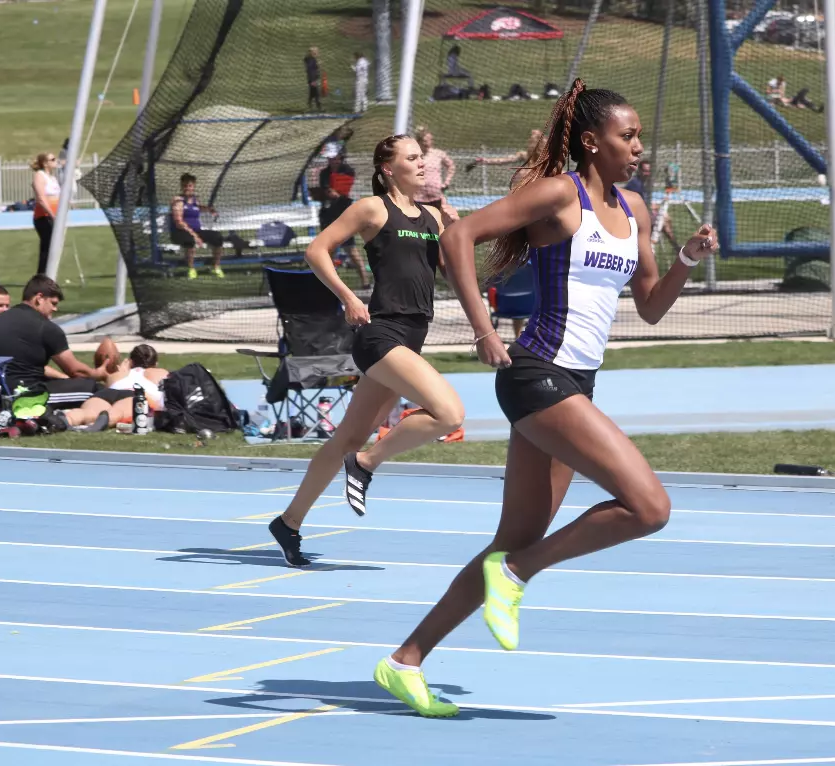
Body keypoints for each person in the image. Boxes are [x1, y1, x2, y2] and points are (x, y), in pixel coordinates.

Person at [371, 80, 719, 717]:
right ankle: (519, 575)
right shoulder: (563, 194)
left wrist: (687, 261)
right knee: (650, 507)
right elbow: (458, 238)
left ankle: (405, 661)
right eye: (628, 135)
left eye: (638, 135)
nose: (638, 146)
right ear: (593, 141)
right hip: (536, 372)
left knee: (516, 536)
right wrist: (481, 329)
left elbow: (649, 308)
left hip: (576, 382)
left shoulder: (636, 210)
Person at [267, 134, 463, 566]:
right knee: (448, 414)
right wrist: (348, 297)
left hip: (412, 336)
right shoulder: (374, 208)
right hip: (380, 335)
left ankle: (289, 522)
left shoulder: (432, 215)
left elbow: (456, 273)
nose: (422, 163)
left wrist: (457, 229)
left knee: (345, 437)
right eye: (412, 158)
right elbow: (316, 250)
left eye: (422, 157)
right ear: (388, 169)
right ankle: (368, 462)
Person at [0, 275, 110, 409]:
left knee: (61, 384)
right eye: (53, 303)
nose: (55, 309)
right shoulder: (45, 327)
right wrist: (98, 374)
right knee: (94, 389)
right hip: (16, 395)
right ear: (39, 299)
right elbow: (76, 371)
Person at [59, 343, 168, 431]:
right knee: (117, 412)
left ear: (130, 362)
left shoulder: (116, 375)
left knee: (90, 412)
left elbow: (110, 387)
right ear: (156, 363)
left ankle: (67, 419)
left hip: (108, 392)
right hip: (135, 396)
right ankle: (99, 424)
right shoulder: (161, 373)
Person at [318, 143, 370, 288]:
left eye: (334, 158)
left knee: (350, 249)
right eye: (329, 159)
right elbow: (327, 190)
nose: (332, 161)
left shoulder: (348, 171)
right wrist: (330, 192)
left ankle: (365, 282)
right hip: (328, 215)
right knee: (328, 250)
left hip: (344, 215)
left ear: (340, 157)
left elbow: (343, 190)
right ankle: (329, 283)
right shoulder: (324, 173)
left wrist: (337, 193)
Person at [170, 173, 225, 280]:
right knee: (190, 241)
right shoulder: (178, 200)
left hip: (196, 230)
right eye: (185, 185)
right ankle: (191, 269)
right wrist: (195, 236)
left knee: (217, 237)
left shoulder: (195, 200)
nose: (187, 188)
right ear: (181, 186)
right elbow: (178, 222)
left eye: (189, 185)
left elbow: (196, 208)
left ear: (193, 186)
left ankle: (216, 266)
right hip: (180, 232)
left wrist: (209, 209)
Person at [468, 129, 544, 189]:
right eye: (530, 142)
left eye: (532, 142)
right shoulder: (524, 155)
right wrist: (485, 161)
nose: (530, 145)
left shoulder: (545, 158)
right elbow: (503, 160)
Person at [414, 126, 458, 222]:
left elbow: (451, 166)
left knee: (441, 221)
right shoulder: (414, 155)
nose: (428, 143)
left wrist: (447, 182)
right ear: (419, 141)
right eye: (425, 140)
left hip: (436, 196)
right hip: (418, 197)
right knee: (420, 223)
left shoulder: (438, 154)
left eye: (430, 140)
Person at [31, 152, 60, 275]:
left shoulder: (52, 178)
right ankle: (42, 275)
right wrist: (52, 214)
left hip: (54, 216)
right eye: (52, 159)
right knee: (47, 247)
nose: (55, 161)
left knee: (54, 248)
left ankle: (48, 274)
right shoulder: (40, 175)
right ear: (45, 163)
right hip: (44, 217)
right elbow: (41, 198)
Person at [304, 47, 323, 112]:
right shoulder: (310, 60)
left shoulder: (312, 59)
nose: (317, 53)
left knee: (312, 93)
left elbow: (316, 69)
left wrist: (318, 64)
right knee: (316, 93)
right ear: (311, 53)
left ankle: (309, 106)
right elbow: (310, 70)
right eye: (315, 52)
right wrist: (313, 81)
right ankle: (319, 107)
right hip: (313, 79)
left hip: (314, 78)